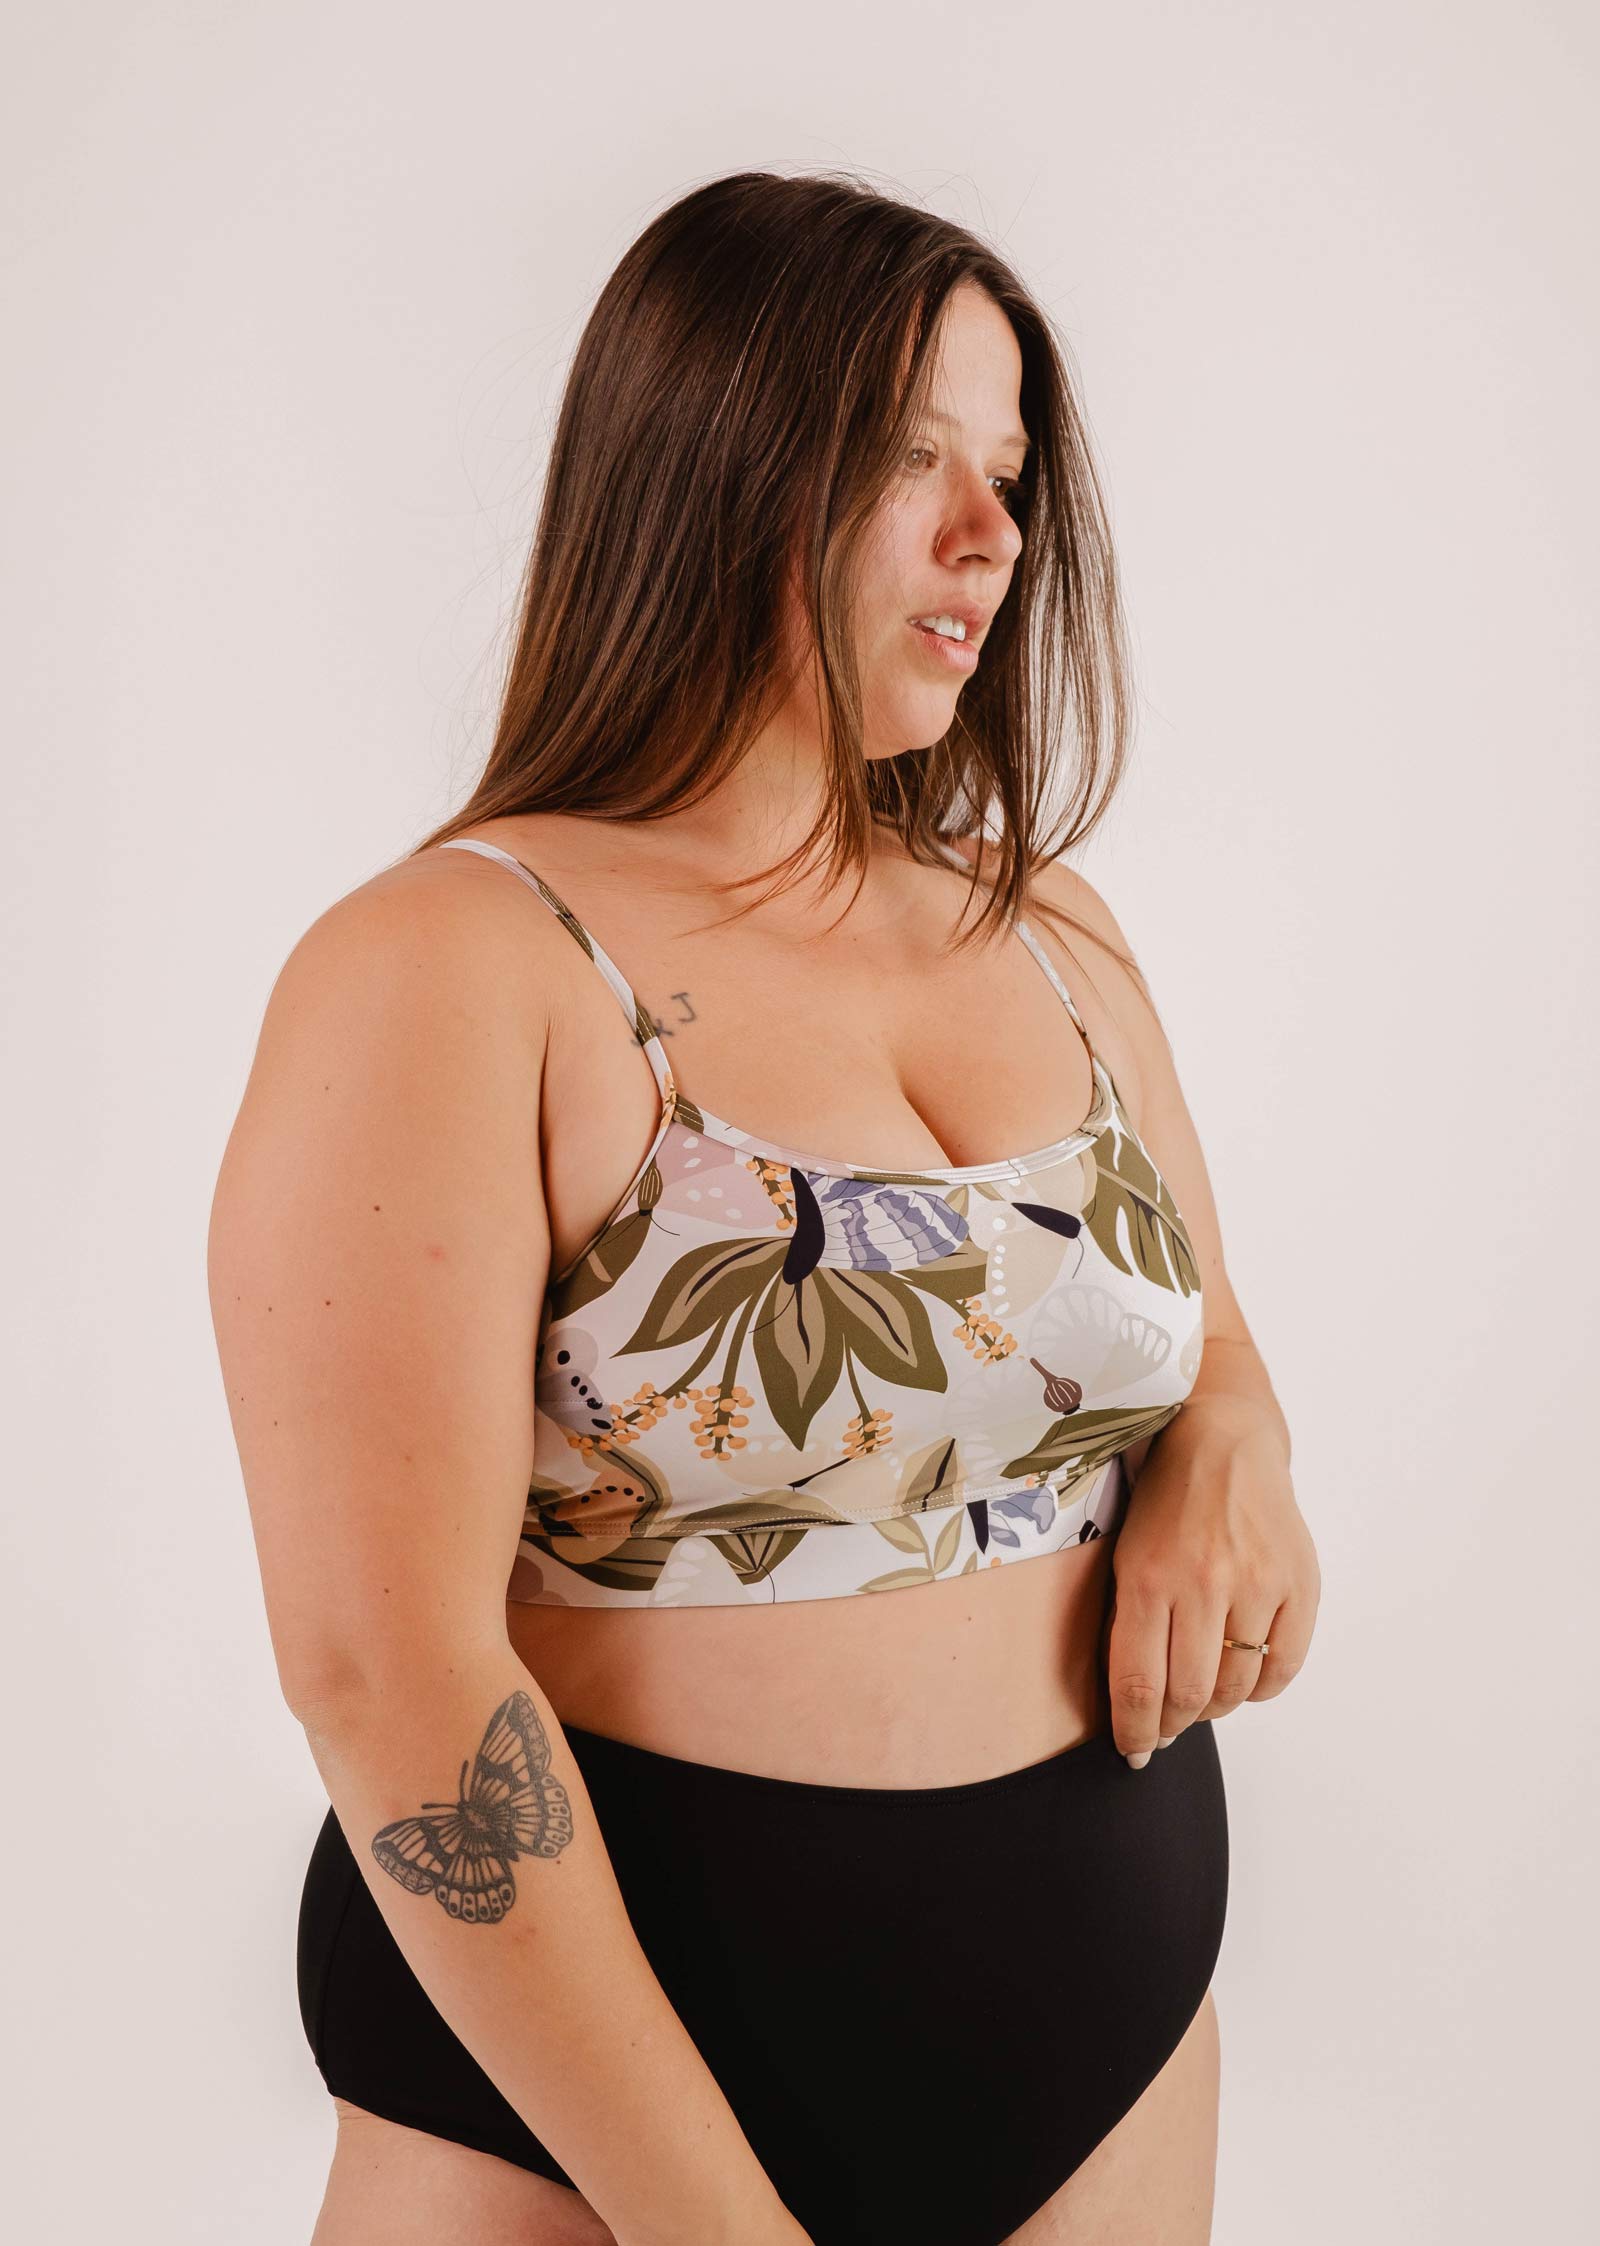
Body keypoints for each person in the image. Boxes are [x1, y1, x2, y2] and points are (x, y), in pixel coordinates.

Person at [209, 168, 1319, 2246]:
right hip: (580, 2103)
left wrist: (1236, 1435)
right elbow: (385, 1668)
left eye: (1006, 469)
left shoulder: (1050, 929)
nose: (991, 534)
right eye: (912, 458)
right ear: (712, 460)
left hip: (1105, 2034)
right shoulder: (456, 962)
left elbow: (1200, 1331)